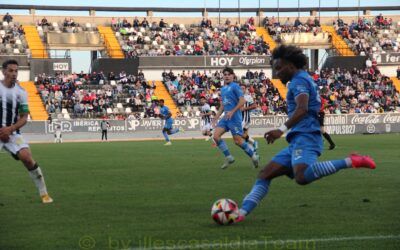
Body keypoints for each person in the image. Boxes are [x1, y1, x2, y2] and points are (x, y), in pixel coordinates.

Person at [235, 45, 375, 223]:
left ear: (291, 66)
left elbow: (302, 109)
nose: (277, 73)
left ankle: (351, 161)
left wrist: (281, 130)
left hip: (307, 135)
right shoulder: (300, 79)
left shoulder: (299, 80)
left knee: (302, 176)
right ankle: (240, 213)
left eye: (279, 68)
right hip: (298, 139)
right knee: (265, 174)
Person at [0, 60, 53, 203]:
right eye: (10, 71)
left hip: (12, 132)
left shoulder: (21, 92)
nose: (14, 74)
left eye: (16, 71)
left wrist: (9, 130)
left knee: (27, 158)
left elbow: (24, 118)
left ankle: (44, 194)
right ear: (4, 71)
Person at [212, 67, 259, 170]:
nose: (227, 76)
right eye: (225, 75)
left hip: (235, 118)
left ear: (233, 76)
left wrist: (232, 111)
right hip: (226, 118)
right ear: (223, 77)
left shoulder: (235, 87)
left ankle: (253, 156)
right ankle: (229, 157)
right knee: (215, 136)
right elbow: (223, 105)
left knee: (237, 141)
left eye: (229, 74)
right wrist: (216, 117)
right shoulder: (223, 89)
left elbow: (242, 101)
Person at [240, 84, 258, 151]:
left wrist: (245, 108)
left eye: (243, 88)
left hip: (245, 118)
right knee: (244, 135)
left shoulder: (248, 97)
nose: (242, 90)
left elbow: (254, 106)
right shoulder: (237, 96)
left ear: (245, 89)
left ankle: (254, 142)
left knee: (238, 133)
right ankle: (253, 150)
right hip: (239, 118)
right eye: (240, 88)